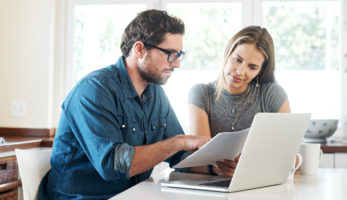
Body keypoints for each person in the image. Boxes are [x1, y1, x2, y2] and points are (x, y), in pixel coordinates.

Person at [38, 9, 209, 199]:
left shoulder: (155, 93)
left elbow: (179, 156)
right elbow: (113, 165)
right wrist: (179, 142)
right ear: (139, 49)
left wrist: (215, 167)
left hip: (132, 195)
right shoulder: (94, 90)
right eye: (170, 53)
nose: (176, 64)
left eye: (179, 54)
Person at [188, 26, 290, 177]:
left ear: (260, 71)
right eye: (237, 60)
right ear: (228, 53)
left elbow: (290, 156)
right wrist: (217, 168)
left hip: (259, 183)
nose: (240, 71)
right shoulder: (201, 93)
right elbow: (200, 159)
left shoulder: (272, 94)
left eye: (252, 67)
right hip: (214, 186)